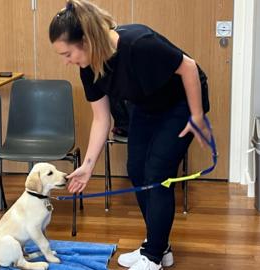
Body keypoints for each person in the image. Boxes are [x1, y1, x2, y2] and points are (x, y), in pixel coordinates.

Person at [49, 1, 211, 269]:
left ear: (87, 40)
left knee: (157, 175)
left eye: (67, 53)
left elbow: (189, 68)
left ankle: (153, 257)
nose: (67, 62)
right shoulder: (88, 68)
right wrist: (88, 167)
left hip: (180, 104)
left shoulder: (139, 43)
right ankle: (158, 244)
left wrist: (196, 117)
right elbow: (102, 118)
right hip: (146, 105)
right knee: (136, 170)